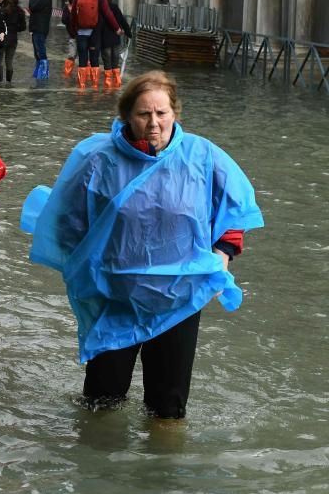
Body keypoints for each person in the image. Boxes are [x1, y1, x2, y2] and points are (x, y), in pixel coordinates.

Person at [25, 71, 264, 418]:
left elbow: (233, 209)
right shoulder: (98, 159)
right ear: (127, 116)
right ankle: (100, 465)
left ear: (175, 114)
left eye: (162, 113)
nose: (154, 123)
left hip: (178, 299)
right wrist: (86, 271)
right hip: (114, 298)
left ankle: (162, 467)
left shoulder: (202, 156)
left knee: (168, 407)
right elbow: (67, 221)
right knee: (101, 402)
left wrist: (222, 255)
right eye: (143, 114)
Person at [68, 0, 124, 89]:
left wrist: (73, 32)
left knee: (82, 59)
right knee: (94, 59)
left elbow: (72, 15)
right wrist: (117, 28)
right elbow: (108, 14)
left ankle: (82, 85)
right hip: (95, 33)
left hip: (81, 33)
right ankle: (94, 85)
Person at [98, 0, 133, 89]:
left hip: (105, 41)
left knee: (107, 62)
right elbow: (123, 21)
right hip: (115, 39)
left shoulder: (100, 9)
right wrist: (128, 33)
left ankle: (108, 84)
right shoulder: (115, 8)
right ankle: (117, 82)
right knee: (115, 62)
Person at [28, 0, 55, 80]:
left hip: (40, 28)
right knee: (37, 51)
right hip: (37, 27)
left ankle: (44, 74)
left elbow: (32, 7)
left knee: (40, 50)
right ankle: (38, 72)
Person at [0, 0, 28, 85]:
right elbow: (23, 27)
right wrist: (15, 29)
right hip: (13, 38)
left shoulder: (3, 9)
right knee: (9, 61)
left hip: (2, 37)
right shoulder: (20, 11)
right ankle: (9, 81)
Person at [61, 0, 78, 77]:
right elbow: (63, 20)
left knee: (85, 57)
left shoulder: (80, 5)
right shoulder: (66, 8)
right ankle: (67, 74)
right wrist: (69, 10)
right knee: (71, 55)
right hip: (72, 35)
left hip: (82, 35)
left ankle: (85, 75)